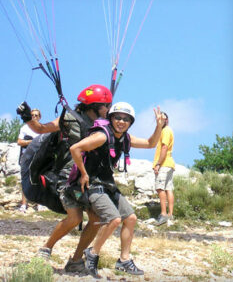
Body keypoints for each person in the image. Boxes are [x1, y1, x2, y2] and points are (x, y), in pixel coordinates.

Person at [16, 84, 112, 272]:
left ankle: (75, 260)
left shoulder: (105, 123)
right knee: (75, 217)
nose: (108, 109)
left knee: (97, 219)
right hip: (69, 176)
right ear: (94, 106)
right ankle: (46, 248)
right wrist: (27, 117)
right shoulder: (68, 119)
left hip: (90, 176)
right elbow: (43, 128)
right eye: (105, 105)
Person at [69, 102, 166, 277]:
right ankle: (92, 253)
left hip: (107, 185)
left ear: (130, 122)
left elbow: (151, 143)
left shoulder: (126, 138)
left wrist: (159, 126)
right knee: (113, 219)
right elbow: (75, 148)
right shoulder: (102, 136)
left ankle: (124, 260)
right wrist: (83, 174)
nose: (121, 121)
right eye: (118, 117)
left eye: (126, 119)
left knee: (130, 218)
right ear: (111, 118)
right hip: (93, 185)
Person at [17, 108, 46, 212]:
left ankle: (40, 204)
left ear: (40, 117)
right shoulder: (25, 128)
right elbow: (19, 142)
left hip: (39, 156)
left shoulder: (43, 128)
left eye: (36, 115)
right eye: (32, 115)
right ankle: (23, 204)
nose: (34, 117)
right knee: (26, 180)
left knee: (39, 180)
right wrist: (32, 142)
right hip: (27, 156)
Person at [152, 112, 175, 226]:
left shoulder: (165, 131)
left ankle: (163, 214)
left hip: (164, 164)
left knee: (160, 188)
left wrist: (158, 164)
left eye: (163, 118)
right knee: (168, 188)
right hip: (169, 164)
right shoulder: (167, 130)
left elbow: (164, 147)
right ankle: (170, 214)